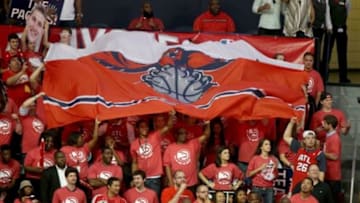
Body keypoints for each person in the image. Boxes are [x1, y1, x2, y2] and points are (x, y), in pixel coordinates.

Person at [130, 111, 175, 196]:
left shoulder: (154, 136)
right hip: (141, 178)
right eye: (142, 127)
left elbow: (168, 126)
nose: (145, 129)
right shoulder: (134, 144)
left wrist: (171, 115)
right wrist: (134, 177)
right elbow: (134, 162)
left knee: (153, 199)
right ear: (137, 129)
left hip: (155, 177)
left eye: (146, 127)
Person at [163, 121, 210, 191]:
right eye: (181, 133)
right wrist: (171, 182)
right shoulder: (170, 147)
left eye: (185, 133)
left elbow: (206, 135)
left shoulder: (192, 143)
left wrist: (208, 124)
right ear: (176, 135)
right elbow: (167, 166)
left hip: (191, 183)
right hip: (177, 183)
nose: (184, 135)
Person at [283, 117, 326, 191]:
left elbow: (321, 174)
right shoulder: (299, 148)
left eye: (313, 138)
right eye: (308, 138)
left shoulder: (319, 154)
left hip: (309, 188)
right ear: (304, 141)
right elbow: (286, 137)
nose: (311, 140)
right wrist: (291, 123)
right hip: (296, 185)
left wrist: (318, 190)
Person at [323, 0, 351, 83]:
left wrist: (341, 23)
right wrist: (328, 26)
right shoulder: (328, 1)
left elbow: (347, 10)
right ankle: (324, 75)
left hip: (341, 27)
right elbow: (326, 13)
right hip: (330, 29)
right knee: (327, 53)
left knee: (342, 53)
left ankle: (343, 77)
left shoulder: (347, 1)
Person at [246, 139, 278, 203]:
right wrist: (260, 168)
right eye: (266, 144)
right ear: (261, 147)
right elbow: (248, 174)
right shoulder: (255, 158)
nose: (269, 146)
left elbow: (276, 177)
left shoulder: (273, 159)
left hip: (269, 188)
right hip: (257, 188)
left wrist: (275, 169)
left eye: (269, 144)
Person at [322, 114, 342, 202]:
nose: (322, 125)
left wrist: (321, 153)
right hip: (328, 174)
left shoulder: (335, 138)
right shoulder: (329, 136)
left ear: (329, 125)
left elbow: (335, 156)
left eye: (324, 123)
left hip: (333, 176)